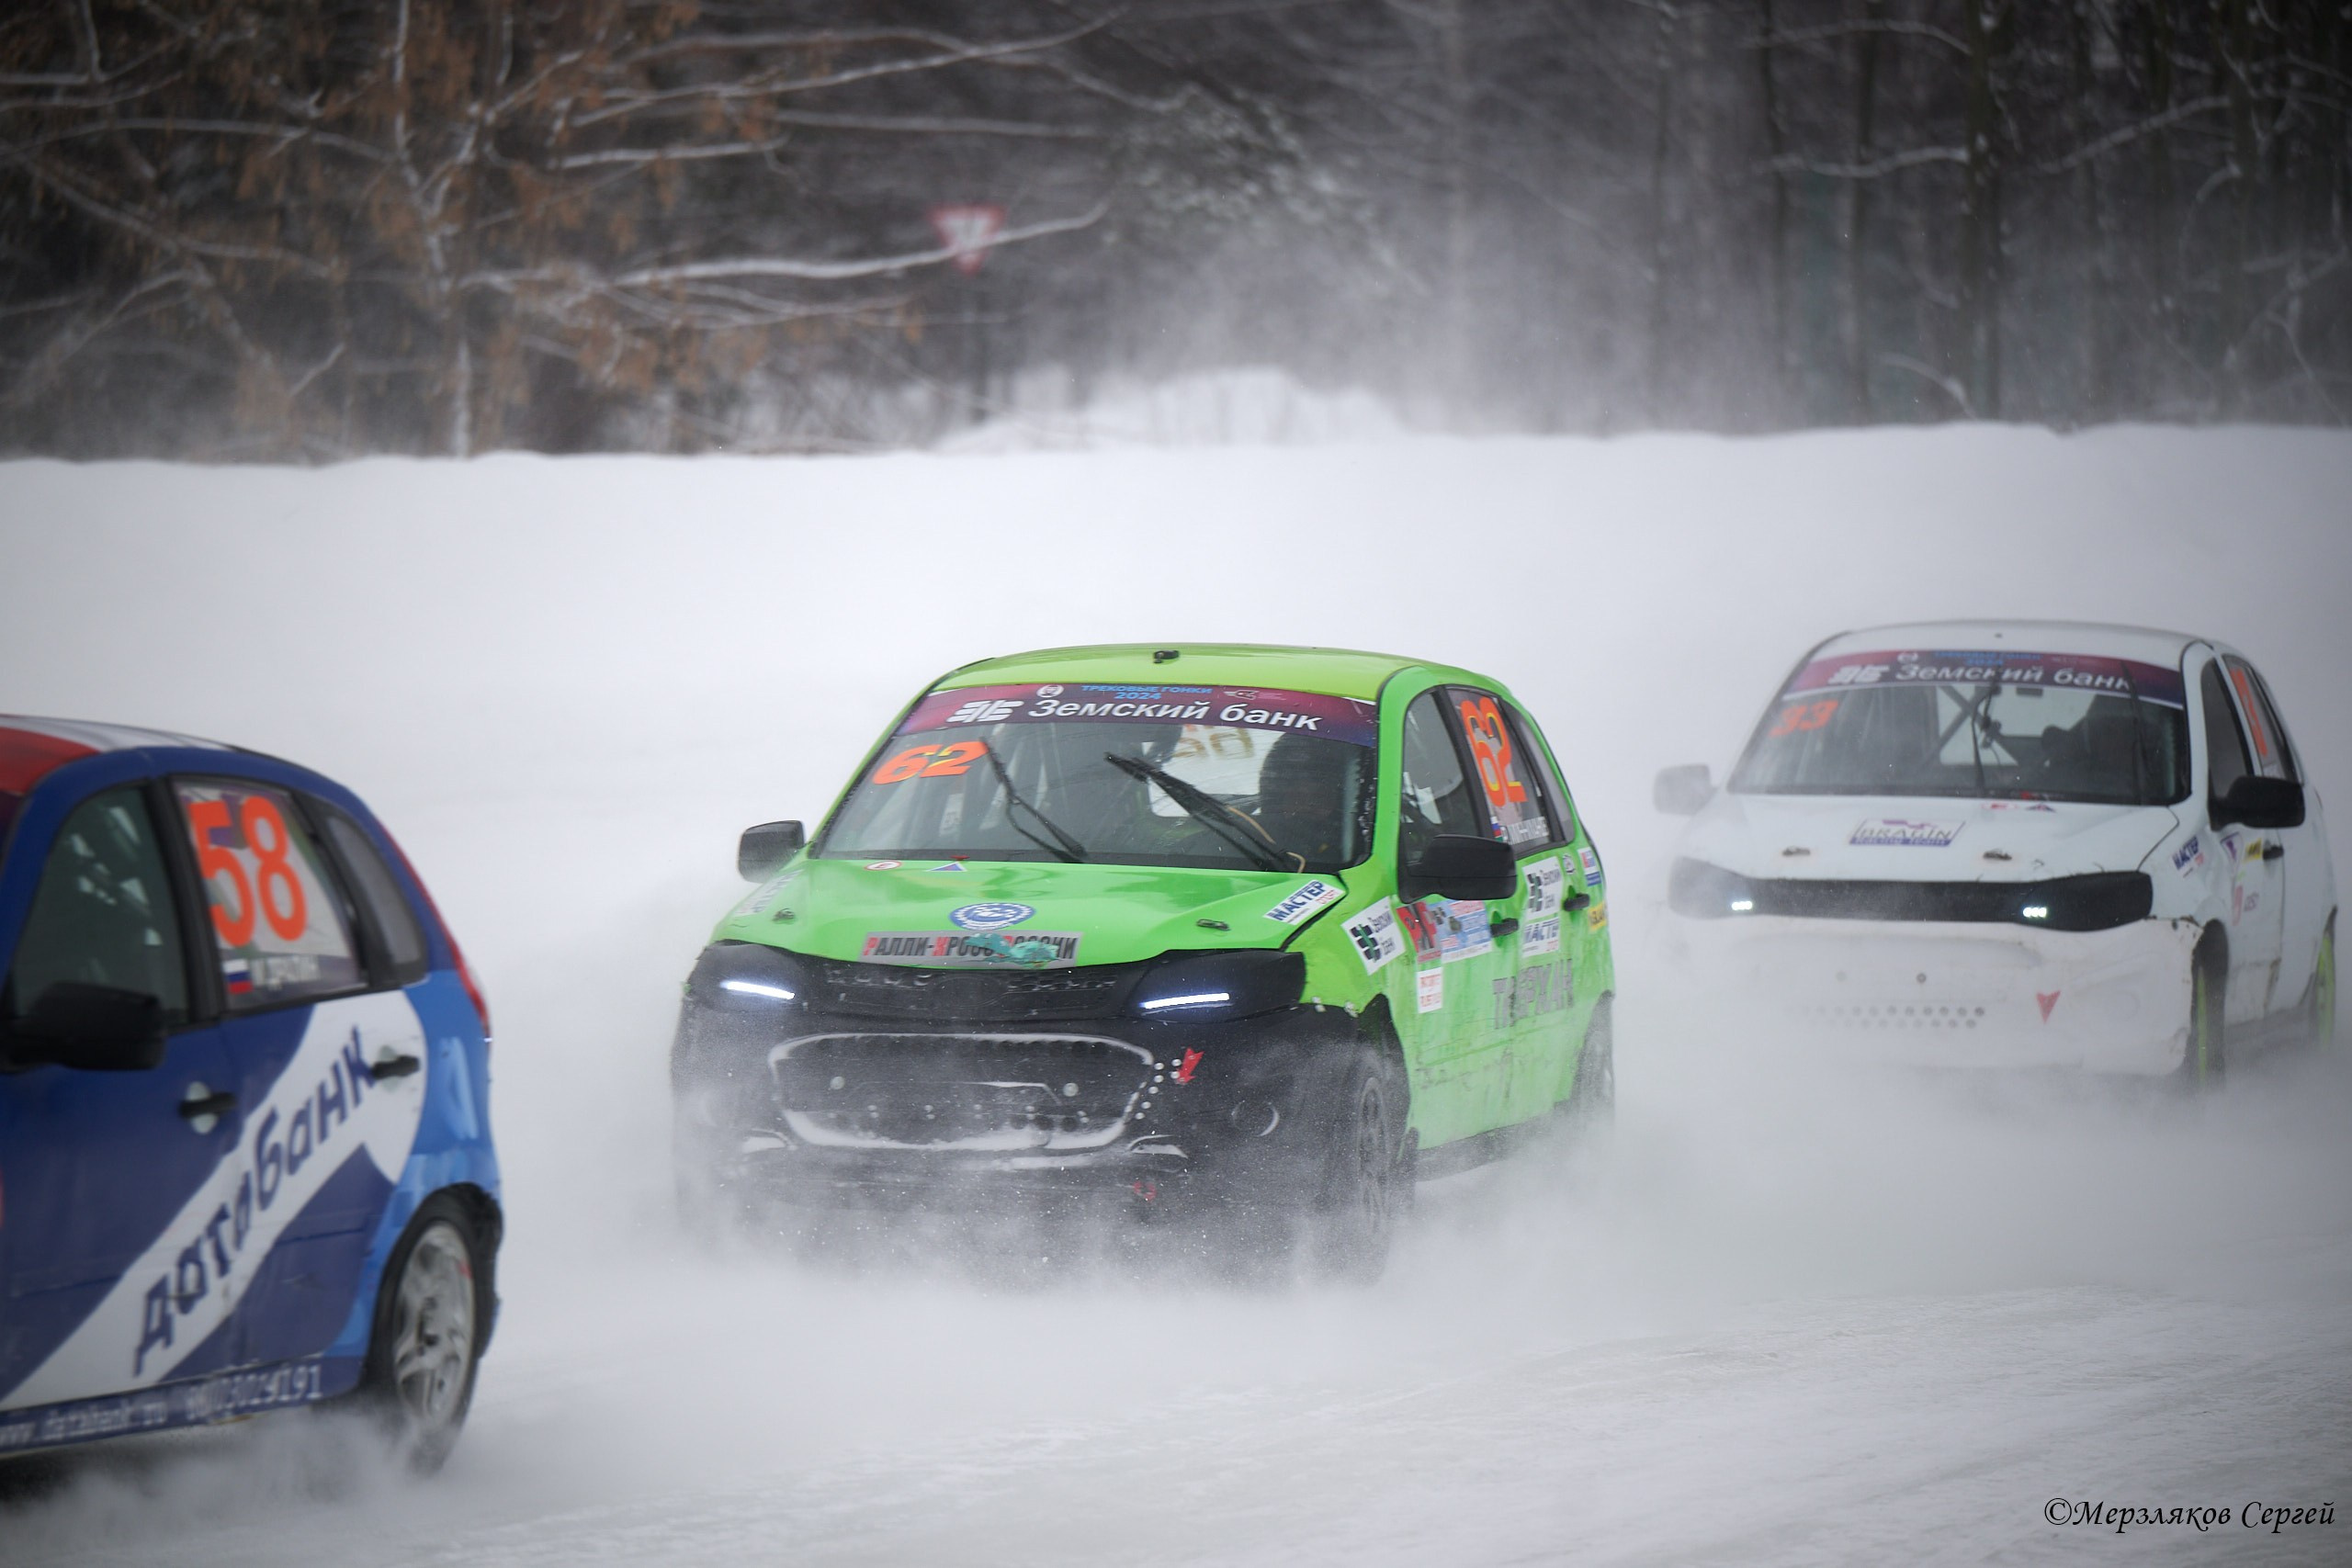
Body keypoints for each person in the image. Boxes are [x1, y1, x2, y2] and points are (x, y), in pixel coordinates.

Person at [1254, 733, 1358, 866]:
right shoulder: (1245, 834)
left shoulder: (1352, 849)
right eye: (1291, 783)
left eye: (1320, 783)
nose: (1305, 793)